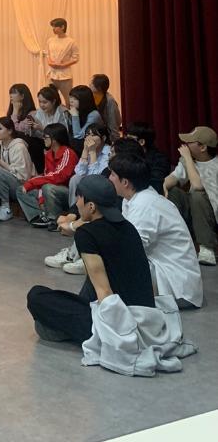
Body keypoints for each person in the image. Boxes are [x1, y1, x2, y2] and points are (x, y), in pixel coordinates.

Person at [26, 175, 155, 344]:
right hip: (146, 314)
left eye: (79, 199)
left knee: (36, 296)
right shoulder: (128, 227)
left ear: (91, 206)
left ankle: (72, 329)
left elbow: (104, 291)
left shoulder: (87, 235)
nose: (77, 204)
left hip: (120, 320)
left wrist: (119, 335)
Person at [109, 150, 203, 308]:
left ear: (125, 182)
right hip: (161, 268)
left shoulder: (145, 205)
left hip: (178, 287)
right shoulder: (133, 199)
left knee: (111, 262)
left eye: (112, 175)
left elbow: (132, 248)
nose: (109, 178)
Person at [164, 126, 218, 266]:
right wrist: (165, 185)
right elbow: (173, 177)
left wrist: (187, 158)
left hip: (213, 217)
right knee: (174, 192)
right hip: (196, 216)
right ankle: (176, 241)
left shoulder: (214, 164)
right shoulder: (188, 162)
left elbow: (198, 185)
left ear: (203, 147)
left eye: (190, 142)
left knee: (197, 195)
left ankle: (207, 248)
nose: (185, 145)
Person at [17, 123, 78, 227]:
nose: (43, 139)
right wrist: (41, 198)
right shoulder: (49, 154)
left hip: (66, 193)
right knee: (20, 190)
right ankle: (38, 216)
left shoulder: (68, 153)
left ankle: (53, 219)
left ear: (55, 139)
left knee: (47, 187)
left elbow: (58, 177)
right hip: (50, 189)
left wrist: (32, 182)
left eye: (45, 137)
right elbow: (47, 176)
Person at [0, 116, 36, 222]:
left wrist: (0, 162)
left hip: (22, 186)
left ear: (10, 131)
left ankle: (6, 207)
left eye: (0, 129)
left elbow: (23, 175)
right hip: (6, 183)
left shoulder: (19, 147)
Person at [68, 124, 112, 205]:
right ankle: (74, 208)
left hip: (102, 187)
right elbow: (79, 172)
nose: (89, 138)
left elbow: (96, 178)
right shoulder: (89, 149)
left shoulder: (109, 152)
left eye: (93, 135)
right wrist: (85, 150)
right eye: (87, 135)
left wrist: (92, 152)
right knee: (75, 178)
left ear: (103, 138)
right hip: (87, 184)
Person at [124, 122, 171, 195]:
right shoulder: (127, 155)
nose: (126, 143)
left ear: (141, 142)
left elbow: (155, 185)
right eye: (126, 138)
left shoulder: (160, 160)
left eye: (130, 139)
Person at [7, 83, 43, 173]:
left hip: (30, 146)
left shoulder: (32, 113)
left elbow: (16, 130)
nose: (11, 95)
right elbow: (7, 127)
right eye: (10, 93)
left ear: (22, 96)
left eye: (14, 93)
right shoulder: (12, 111)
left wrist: (15, 112)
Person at [44, 18, 79, 103]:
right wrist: (49, 62)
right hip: (52, 75)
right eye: (52, 27)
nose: (53, 29)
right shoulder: (50, 40)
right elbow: (47, 54)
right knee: (50, 99)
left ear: (62, 27)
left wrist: (63, 65)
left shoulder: (71, 42)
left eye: (55, 27)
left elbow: (76, 58)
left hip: (65, 76)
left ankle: (69, 112)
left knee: (68, 100)